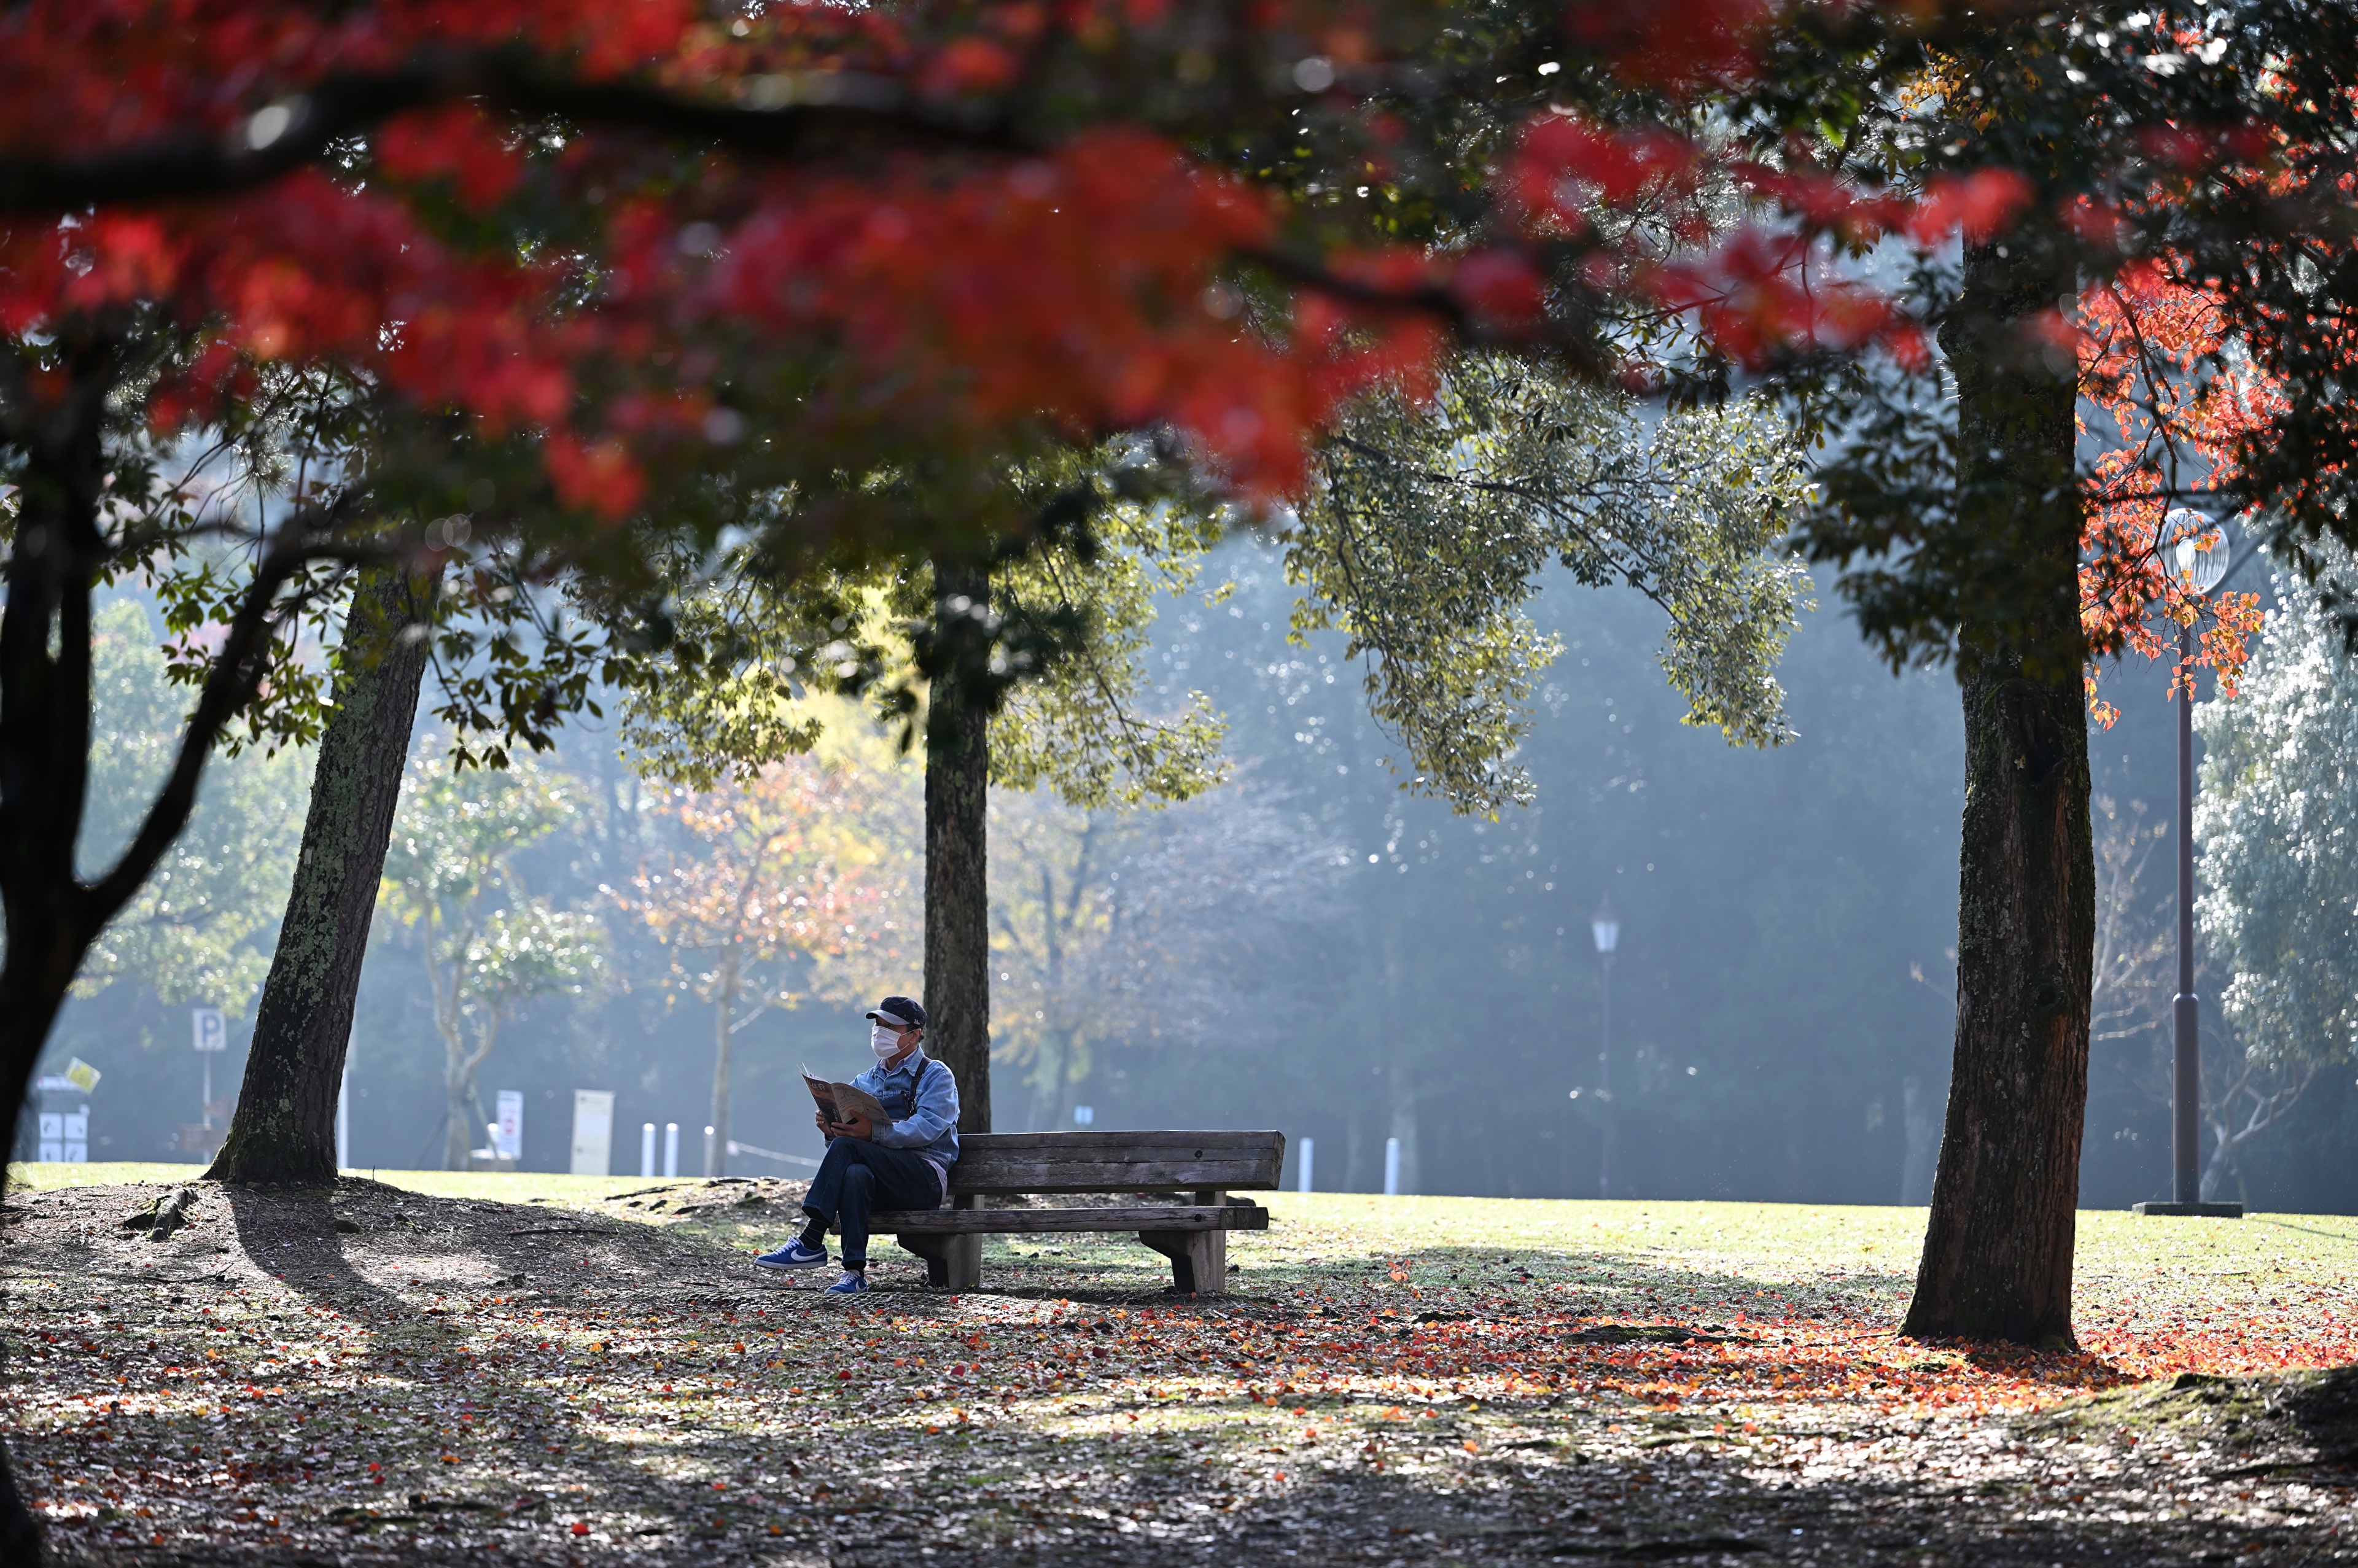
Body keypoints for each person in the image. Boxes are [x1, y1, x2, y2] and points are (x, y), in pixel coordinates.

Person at [755, 995, 959, 1294]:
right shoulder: (865, 1082)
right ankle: (854, 1274)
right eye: (878, 1024)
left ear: (914, 1035)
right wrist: (833, 1130)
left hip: (922, 1180)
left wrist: (872, 1133)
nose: (880, 1032)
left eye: (891, 1027)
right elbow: (849, 1148)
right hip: (880, 1183)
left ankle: (811, 1240)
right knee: (855, 1175)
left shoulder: (936, 1075)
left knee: (850, 1151)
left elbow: (927, 1128)